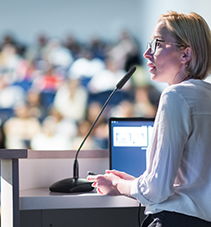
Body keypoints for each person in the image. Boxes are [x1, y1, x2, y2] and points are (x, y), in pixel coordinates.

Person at [87, 11, 211, 226]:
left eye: (157, 44)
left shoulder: (175, 96)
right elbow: (195, 180)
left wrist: (117, 186)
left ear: (186, 54)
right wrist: (136, 183)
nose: (146, 53)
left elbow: (156, 190)